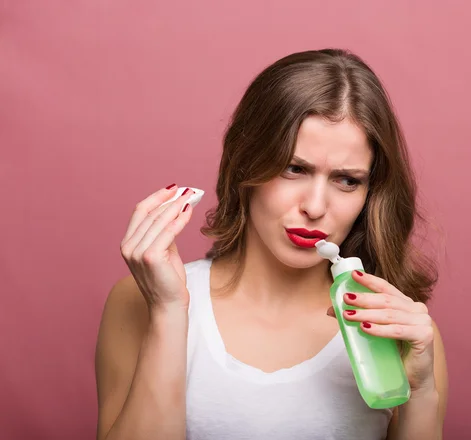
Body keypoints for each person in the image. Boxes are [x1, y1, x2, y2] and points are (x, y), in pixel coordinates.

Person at [95, 48, 448, 440]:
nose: (315, 207)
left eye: (347, 180)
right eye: (294, 169)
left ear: (370, 193)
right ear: (246, 163)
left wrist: (420, 395)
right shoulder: (139, 302)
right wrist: (168, 312)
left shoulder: (403, 333)